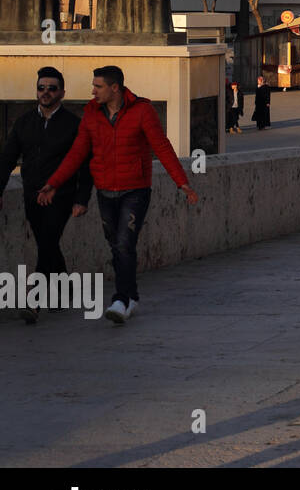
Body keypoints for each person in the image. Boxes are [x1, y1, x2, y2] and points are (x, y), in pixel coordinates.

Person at [37, 65, 199, 323]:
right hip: (105, 192)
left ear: (115, 88)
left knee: (125, 243)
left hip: (135, 190)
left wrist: (182, 183)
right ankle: (131, 295)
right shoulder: (91, 114)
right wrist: (54, 183)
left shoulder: (142, 111)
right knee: (117, 246)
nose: (93, 91)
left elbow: (162, 147)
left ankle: (120, 300)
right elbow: (77, 153)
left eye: (98, 86)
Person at [0, 67, 92, 323]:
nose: (46, 93)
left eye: (52, 88)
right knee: (47, 243)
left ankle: (34, 302)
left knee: (49, 239)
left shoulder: (73, 125)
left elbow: (85, 165)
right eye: (42, 88)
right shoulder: (24, 122)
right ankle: (65, 291)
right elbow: (7, 159)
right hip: (31, 194)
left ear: (62, 92)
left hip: (60, 196)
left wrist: (81, 199)